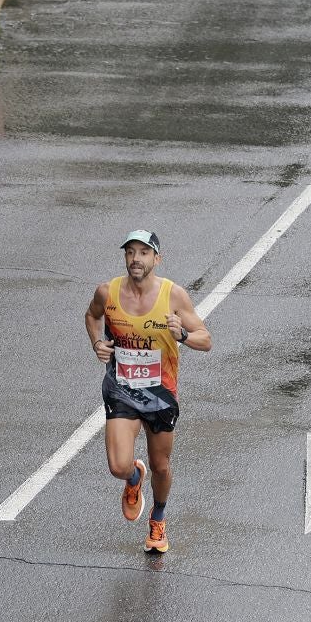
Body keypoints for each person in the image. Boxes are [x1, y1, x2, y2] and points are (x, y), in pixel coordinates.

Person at [83, 231, 210, 555]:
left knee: (162, 466)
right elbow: (92, 316)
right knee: (117, 465)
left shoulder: (173, 296)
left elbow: (205, 340)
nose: (136, 259)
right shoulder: (107, 292)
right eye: (130, 252)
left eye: (143, 252)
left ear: (156, 258)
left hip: (160, 392)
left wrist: (180, 333)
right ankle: (132, 477)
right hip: (121, 388)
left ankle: (158, 519)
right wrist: (97, 343)